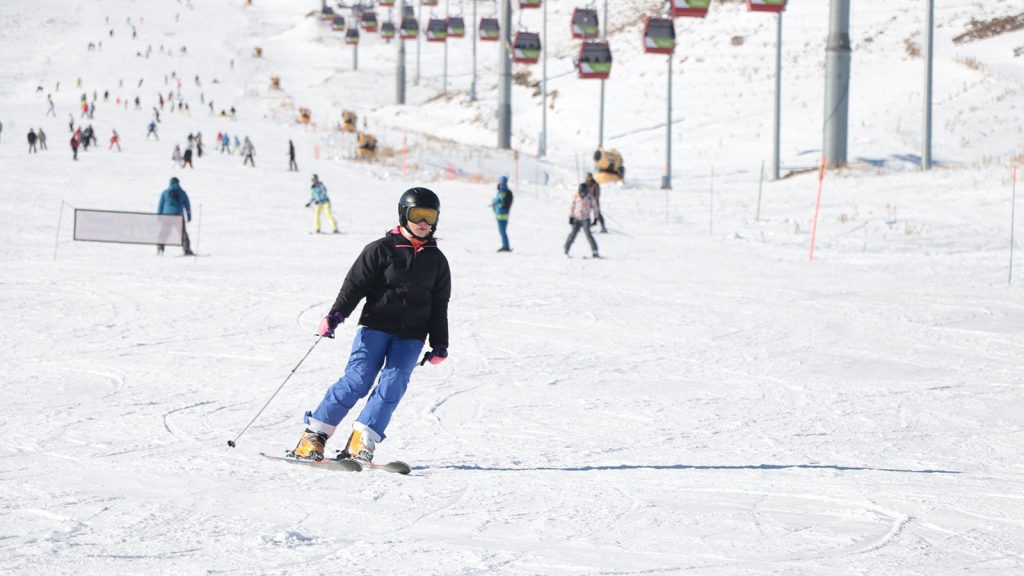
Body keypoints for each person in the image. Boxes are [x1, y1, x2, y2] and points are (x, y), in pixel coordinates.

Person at [291, 187, 452, 462]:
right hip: (375, 327)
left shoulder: (437, 261)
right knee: (358, 380)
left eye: (429, 216)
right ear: (404, 215)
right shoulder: (380, 249)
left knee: (394, 384)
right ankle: (314, 435)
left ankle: (361, 437)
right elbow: (354, 286)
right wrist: (335, 315)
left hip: (412, 335)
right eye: (417, 215)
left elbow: (439, 305)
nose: (424, 222)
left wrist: (440, 342)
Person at [157, 177, 195, 256]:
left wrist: (159, 215)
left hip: (166, 216)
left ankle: (160, 248)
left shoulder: (165, 192)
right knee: (182, 233)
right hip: (178, 216)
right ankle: (187, 250)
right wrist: (189, 216)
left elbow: (160, 205)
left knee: (164, 232)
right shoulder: (182, 193)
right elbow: (187, 206)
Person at [564, 183, 600, 258]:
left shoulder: (590, 198)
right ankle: (566, 249)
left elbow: (595, 208)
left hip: (585, 219)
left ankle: (595, 251)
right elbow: (572, 206)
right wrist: (571, 217)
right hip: (576, 218)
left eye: (583, 192)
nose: (582, 194)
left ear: (586, 191)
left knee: (588, 234)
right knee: (573, 234)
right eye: (580, 192)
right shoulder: (576, 196)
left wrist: (596, 218)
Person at [492, 175, 513, 252]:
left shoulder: (507, 193)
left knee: (503, 231)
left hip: (503, 216)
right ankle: (505, 245)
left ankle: (506, 246)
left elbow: (506, 204)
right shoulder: (499, 192)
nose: (502, 184)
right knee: (501, 232)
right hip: (499, 215)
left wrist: (499, 203)